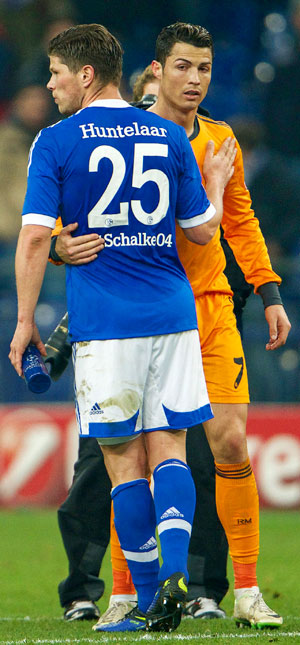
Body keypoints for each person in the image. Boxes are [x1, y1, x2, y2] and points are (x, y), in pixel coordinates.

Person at [52, 23, 291, 632]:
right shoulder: (125, 132)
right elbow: (67, 211)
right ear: (156, 71)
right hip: (132, 311)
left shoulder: (220, 136)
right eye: (183, 67)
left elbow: (238, 221)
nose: (195, 80)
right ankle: (126, 593)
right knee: (118, 457)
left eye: (205, 69)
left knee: (229, 443)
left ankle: (243, 590)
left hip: (206, 309)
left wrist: (268, 293)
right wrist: (57, 245)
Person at [9, 23, 236, 634]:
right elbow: (199, 232)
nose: (50, 82)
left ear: (86, 75)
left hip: (106, 324)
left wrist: (27, 321)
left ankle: (144, 597)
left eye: (57, 71)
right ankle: (174, 579)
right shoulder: (166, 134)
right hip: (172, 314)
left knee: (119, 460)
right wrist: (213, 184)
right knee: (171, 453)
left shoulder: (56, 141)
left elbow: (34, 236)